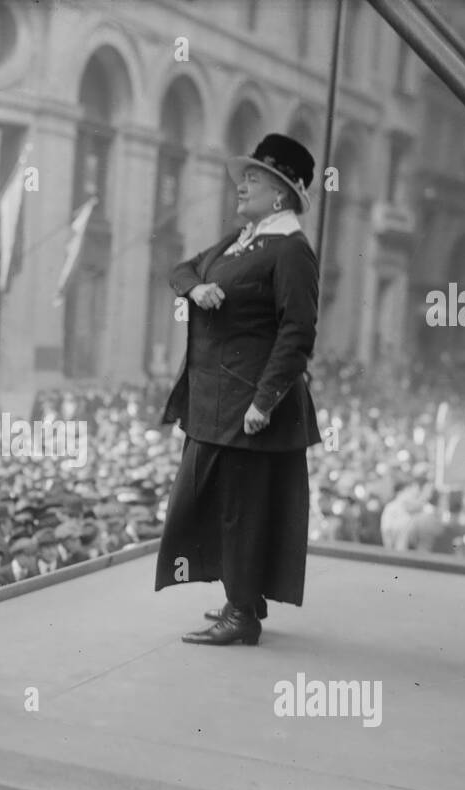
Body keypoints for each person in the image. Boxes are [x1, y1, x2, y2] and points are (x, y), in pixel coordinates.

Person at [156, 134, 322, 646]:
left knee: (241, 510)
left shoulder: (291, 251)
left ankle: (241, 616)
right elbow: (180, 270)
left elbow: (298, 333)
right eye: (243, 175)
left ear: (281, 194)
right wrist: (197, 288)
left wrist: (264, 400)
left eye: (254, 177)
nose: (241, 184)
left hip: (249, 407)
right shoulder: (241, 239)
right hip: (214, 402)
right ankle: (242, 599)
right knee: (219, 504)